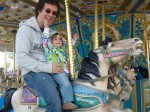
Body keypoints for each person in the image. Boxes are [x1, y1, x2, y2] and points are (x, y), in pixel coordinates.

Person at [15, 0, 76, 111]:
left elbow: (57, 51)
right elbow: (21, 58)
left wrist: (63, 64)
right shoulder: (25, 29)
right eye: (47, 11)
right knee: (53, 98)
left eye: (54, 13)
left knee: (71, 87)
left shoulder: (51, 32)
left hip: (50, 69)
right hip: (33, 72)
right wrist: (48, 67)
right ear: (39, 10)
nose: (51, 15)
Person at [42, 23, 79, 109]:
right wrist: (46, 28)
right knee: (65, 83)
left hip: (64, 72)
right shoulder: (49, 49)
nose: (58, 40)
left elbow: (70, 48)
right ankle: (67, 102)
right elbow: (45, 41)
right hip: (56, 71)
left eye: (60, 39)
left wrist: (74, 39)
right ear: (51, 41)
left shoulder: (62, 50)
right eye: (55, 39)